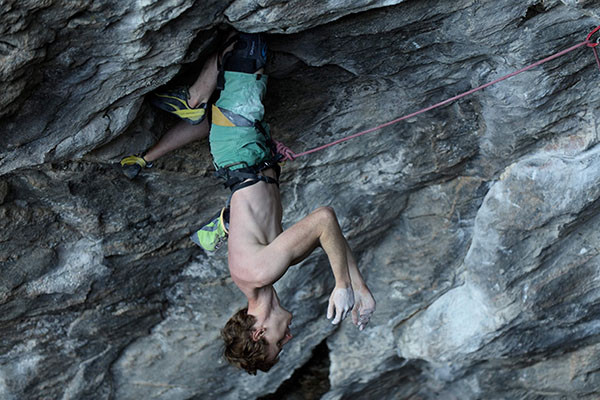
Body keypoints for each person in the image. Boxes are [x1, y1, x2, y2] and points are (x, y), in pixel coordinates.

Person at [120, 32, 376, 375]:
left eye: (277, 345)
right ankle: (185, 119)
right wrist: (360, 290)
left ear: (258, 333)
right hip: (252, 150)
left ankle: (194, 99)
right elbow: (330, 237)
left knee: (247, 46)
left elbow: (324, 218)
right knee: (241, 67)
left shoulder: (259, 272)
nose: (288, 338)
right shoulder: (270, 272)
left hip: (238, 144)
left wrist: (341, 287)